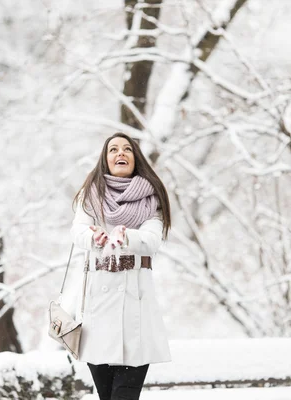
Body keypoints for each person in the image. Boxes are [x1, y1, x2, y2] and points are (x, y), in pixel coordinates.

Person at [70, 132, 172, 400]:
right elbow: (77, 232)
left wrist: (127, 236)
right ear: (105, 159)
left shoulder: (151, 198)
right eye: (113, 149)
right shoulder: (90, 194)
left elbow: (151, 241)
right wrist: (94, 237)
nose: (120, 153)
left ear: (135, 159)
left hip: (135, 309)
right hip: (97, 312)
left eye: (127, 149)